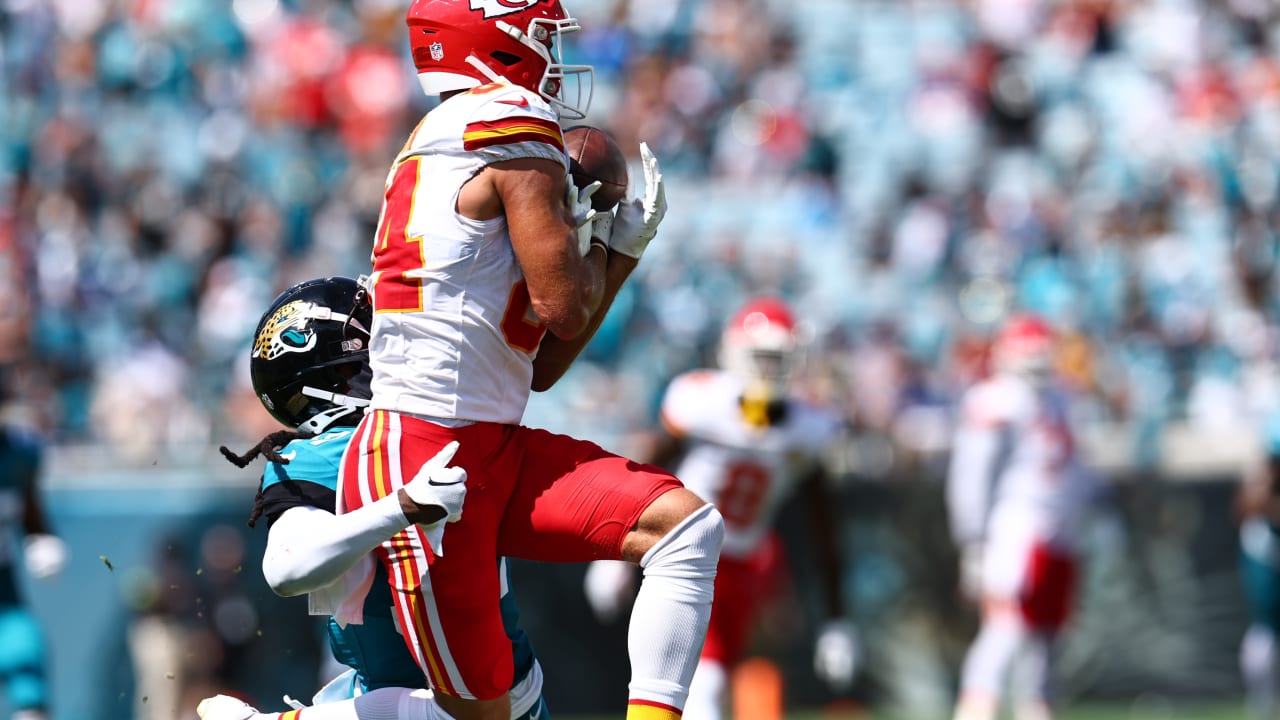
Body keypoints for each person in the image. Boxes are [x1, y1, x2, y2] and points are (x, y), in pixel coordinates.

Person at [339, 3, 725, 720]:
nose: (552, 52)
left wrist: (619, 251)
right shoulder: (507, 116)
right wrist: (599, 243)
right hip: (426, 462)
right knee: (485, 715)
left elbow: (542, 365)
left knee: (685, 527)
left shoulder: (446, 132)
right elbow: (567, 309)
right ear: (496, 38)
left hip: (488, 444)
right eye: (542, 33)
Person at [195, 276, 550, 720]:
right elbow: (286, 567)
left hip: (509, 683)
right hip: (422, 700)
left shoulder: (444, 417)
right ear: (338, 369)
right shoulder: (322, 454)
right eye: (373, 331)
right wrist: (400, 507)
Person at [583, 296, 859, 719]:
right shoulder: (702, 401)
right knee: (702, 688)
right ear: (734, 354)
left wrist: (837, 619)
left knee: (731, 680)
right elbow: (646, 470)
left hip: (747, 565)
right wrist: (614, 553)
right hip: (686, 553)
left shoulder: (811, 427)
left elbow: (824, 529)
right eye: (759, 356)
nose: (767, 370)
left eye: (777, 358)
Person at [946, 313, 1098, 720]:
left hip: (1059, 532)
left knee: (1047, 637)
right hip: (1012, 533)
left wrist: (1094, 514)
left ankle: (1036, 710)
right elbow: (971, 476)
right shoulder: (993, 399)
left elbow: (1077, 470)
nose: (1035, 365)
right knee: (1004, 631)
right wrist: (974, 540)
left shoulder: (1062, 398)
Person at [0, 408, 67, 720]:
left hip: (3, 587)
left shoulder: (18, 457)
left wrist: (40, 537)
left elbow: (30, 510)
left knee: (26, 660)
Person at [1237, 410, 1280, 720]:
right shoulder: (1260, 483)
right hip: (1267, 575)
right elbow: (1247, 507)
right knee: (1263, 638)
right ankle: (1262, 706)